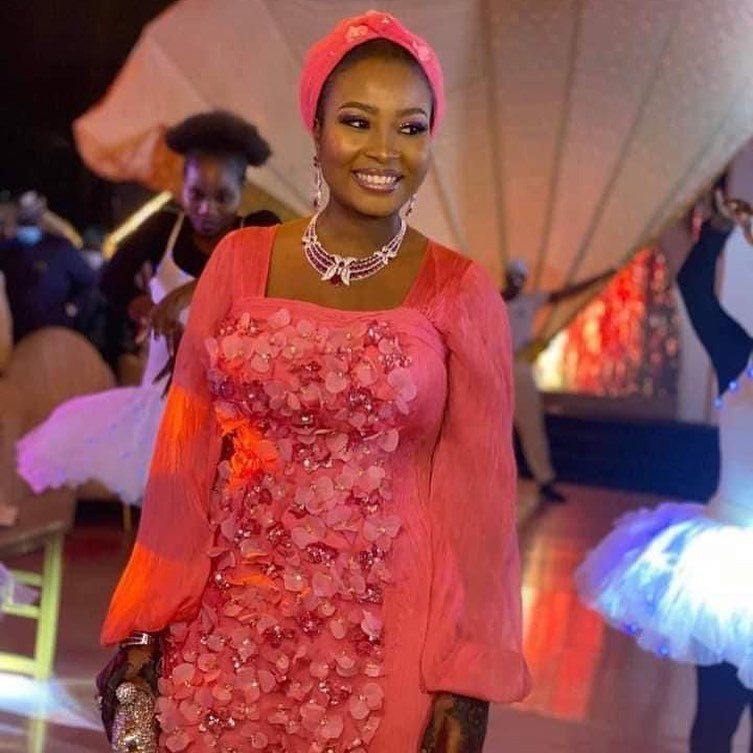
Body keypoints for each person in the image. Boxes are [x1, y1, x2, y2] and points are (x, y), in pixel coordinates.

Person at [96, 12, 530, 753]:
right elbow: (184, 461)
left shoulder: (459, 291)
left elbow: (479, 510)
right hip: (224, 629)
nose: (384, 150)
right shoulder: (240, 261)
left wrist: (466, 682)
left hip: (386, 644)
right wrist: (144, 627)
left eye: (411, 127)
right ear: (317, 130)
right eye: (357, 121)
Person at [17, 111, 279, 507]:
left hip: (231, 410)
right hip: (163, 408)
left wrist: (187, 295)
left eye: (222, 197)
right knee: (168, 513)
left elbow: (257, 275)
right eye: (196, 194)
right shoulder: (163, 230)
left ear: (243, 188)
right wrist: (149, 310)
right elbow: (111, 282)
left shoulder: (256, 231)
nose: (206, 209)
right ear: (182, 184)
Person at [576, 189, 753, 753]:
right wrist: (719, 225)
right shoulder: (739, 355)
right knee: (716, 719)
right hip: (731, 568)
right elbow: (695, 286)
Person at [502, 259, 613, 503]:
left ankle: (545, 480)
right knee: (494, 429)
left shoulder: (529, 301)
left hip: (520, 369)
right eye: (514, 276)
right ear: (507, 277)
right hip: (496, 370)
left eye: (521, 277)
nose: (517, 281)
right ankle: (489, 483)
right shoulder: (491, 301)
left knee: (531, 426)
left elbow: (565, 294)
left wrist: (600, 276)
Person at [0, 192, 96, 343]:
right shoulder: (7, 249)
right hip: (19, 335)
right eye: (24, 218)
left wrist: (74, 307)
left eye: (31, 218)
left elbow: (89, 281)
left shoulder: (60, 248)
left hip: (56, 333)